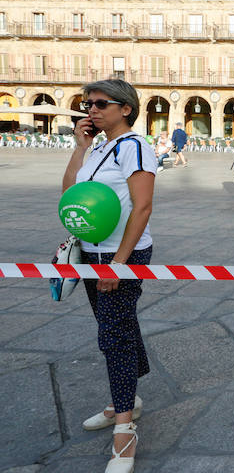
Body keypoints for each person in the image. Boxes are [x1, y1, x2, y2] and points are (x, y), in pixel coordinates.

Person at [64, 78, 156, 473]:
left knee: (112, 335)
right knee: (116, 324)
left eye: (101, 103)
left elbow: (142, 207)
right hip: (91, 250)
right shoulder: (98, 146)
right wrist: (80, 146)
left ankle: (124, 429)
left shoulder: (136, 146)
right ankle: (129, 397)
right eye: (88, 104)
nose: (92, 110)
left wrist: (119, 263)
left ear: (126, 108)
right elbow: (69, 192)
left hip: (124, 252)